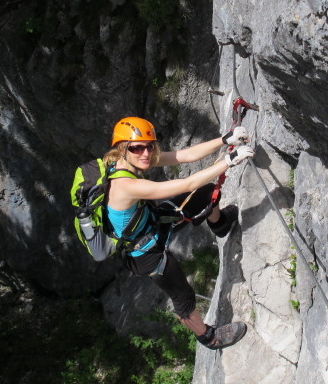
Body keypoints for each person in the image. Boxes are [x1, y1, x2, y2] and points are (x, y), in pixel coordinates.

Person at [102, 116, 255, 350]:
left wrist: (225, 139)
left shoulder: (129, 161)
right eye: (136, 147)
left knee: (206, 194)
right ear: (123, 149)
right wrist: (229, 160)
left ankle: (220, 225)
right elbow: (185, 184)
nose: (145, 152)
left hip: (151, 223)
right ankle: (208, 338)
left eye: (149, 145)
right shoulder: (125, 184)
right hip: (145, 253)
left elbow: (182, 156)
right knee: (183, 296)